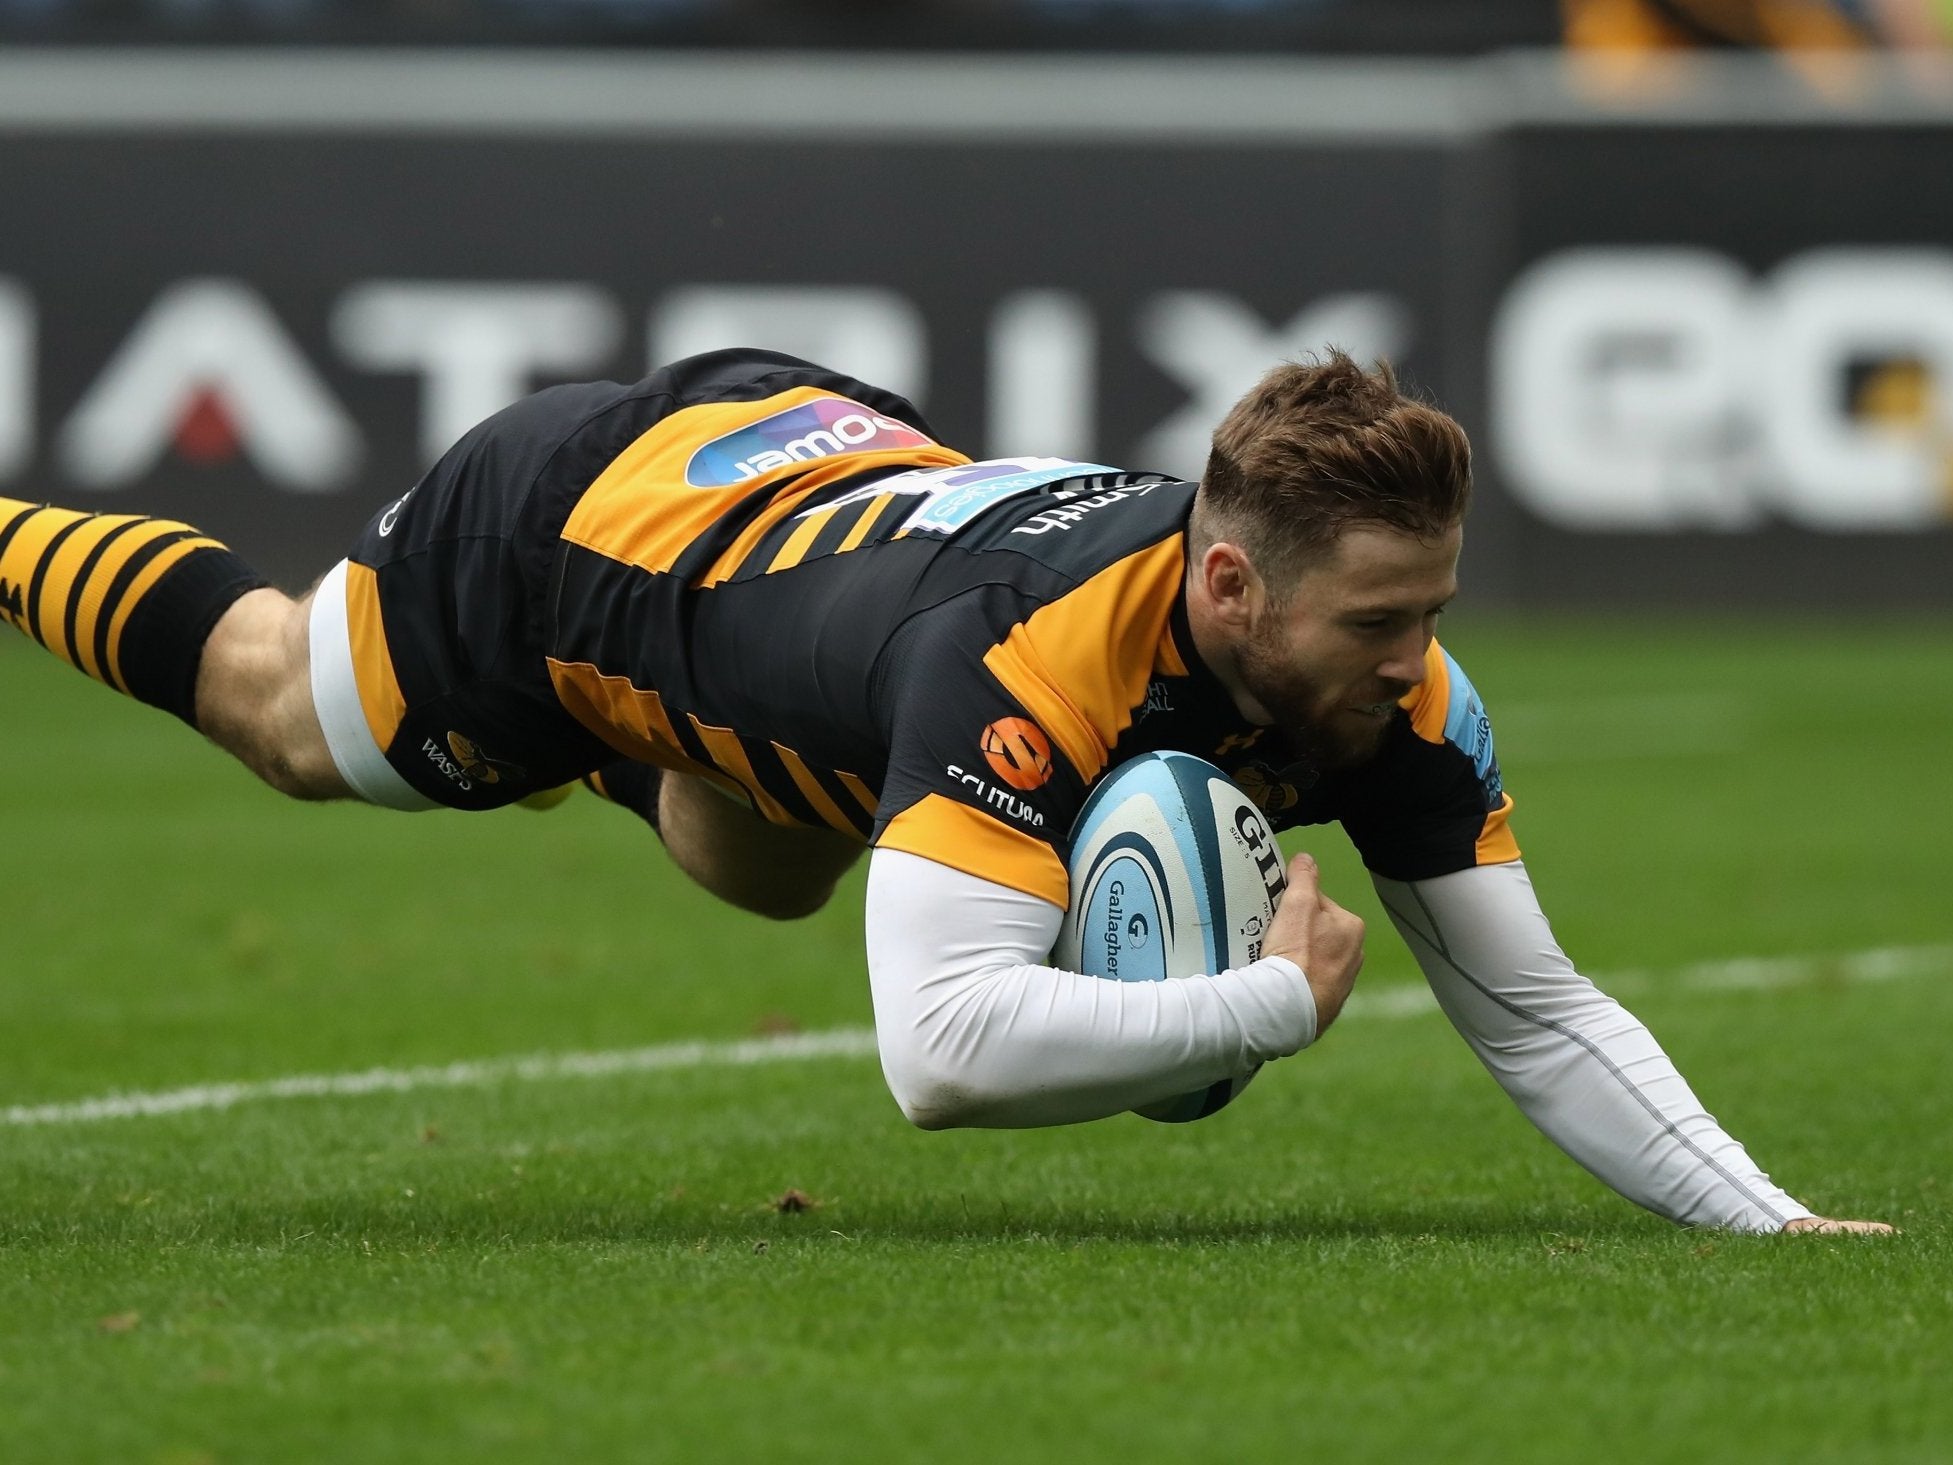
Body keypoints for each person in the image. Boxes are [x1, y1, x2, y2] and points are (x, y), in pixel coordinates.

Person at [0, 347, 1888, 1235]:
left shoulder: (1399, 693)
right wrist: (1261, 1003)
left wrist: (1774, 1228)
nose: (1417, 663)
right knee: (284, 713)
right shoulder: (1032, 659)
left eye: (1436, 609)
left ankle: (670, 741)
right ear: (1226, 584)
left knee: (765, 876)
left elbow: (1536, 1007)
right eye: (1381, 618)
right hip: (598, 531)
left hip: (826, 510)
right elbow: (941, 1053)